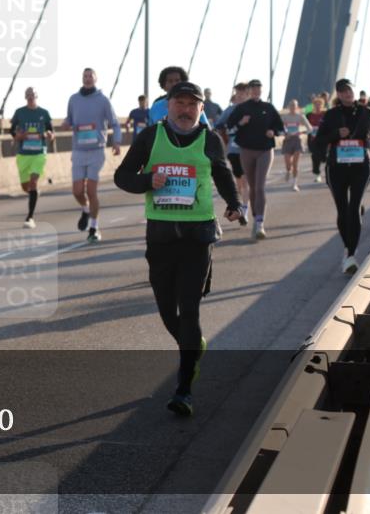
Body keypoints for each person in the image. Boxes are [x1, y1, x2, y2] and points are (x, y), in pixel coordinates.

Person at [114, 81, 242, 417]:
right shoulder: (149, 137)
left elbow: (223, 173)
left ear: (201, 108)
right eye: (179, 103)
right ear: (168, 105)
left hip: (198, 235)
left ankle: (184, 388)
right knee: (166, 307)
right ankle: (193, 346)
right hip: (161, 235)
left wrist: (234, 203)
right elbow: (122, 176)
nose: (185, 110)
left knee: (190, 307)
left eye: (192, 104)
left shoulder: (209, 138)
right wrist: (146, 180)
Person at [314, 78, 370, 274]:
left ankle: (351, 255)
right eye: (342, 92)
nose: (347, 94)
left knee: (354, 208)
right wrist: (336, 133)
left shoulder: (366, 112)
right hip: (337, 168)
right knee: (343, 211)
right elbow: (318, 141)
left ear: (354, 91)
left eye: (349, 90)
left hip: (361, 166)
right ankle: (347, 248)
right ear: (338, 95)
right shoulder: (331, 115)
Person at [62, 68, 121, 243]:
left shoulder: (103, 100)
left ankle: (94, 227)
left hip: (96, 150)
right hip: (79, 150)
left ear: (95, 79)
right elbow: (70, 119)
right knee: (77, 191)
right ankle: (85, 209)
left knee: (91, 190)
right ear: (82, 79)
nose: (87, 79)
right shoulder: (74, 99)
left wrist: (116, 142)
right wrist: (66, 124)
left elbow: (115, 124)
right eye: (85, 76)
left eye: (90, 76)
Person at [225, 79, 284, 239]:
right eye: (254, 88)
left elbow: (280, 127)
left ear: (261, 90)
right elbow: (230, 128)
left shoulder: (268, 108)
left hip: (265, 150)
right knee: (251, 186)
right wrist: (241, 123)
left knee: (260, 186)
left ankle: (260, 223)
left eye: (259, 88)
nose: (257, 90)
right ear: (249, 91)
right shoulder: (242, 108)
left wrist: (273, 131)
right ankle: (255, 214)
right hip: (246, 150)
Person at [10, 87, 54, 229]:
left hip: (39, 153)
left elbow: (50, 131)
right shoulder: (19, 112)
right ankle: (33, 194)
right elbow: (12, 130)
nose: (30, 97)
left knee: (33, 183)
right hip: (23, 154)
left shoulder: (44, 113)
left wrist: (49, 135)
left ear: (36, 96)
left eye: (32, 95)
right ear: (25, 97)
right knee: (26, 187)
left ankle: (30, 217)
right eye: (28, 95)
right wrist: (18, 136)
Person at [214, 83, 250, 222]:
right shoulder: (229, 110)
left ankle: (245, 211)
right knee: (239, 183)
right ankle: (240, 207)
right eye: (238, 93)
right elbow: (218, 125)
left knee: (246, 182)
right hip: (233, 150)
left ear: (248, 94)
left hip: (250, 150)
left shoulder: (253, 109)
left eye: (243, 93)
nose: (240, 96)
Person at [281, 99, 313, 191]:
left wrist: (301, 132)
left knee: (295, 164)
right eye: (291, 105)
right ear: (288, 107)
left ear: (297, 107)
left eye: (294, 105)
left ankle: (294, 184)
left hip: (297, 141)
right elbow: (279, 129)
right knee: (288, 164)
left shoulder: (300, 116)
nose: (292, 107)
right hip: (287, 141)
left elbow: (310, 128)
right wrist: (284, 134)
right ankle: (288, 171)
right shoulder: (284, 117)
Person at [306, 97, 327, 182]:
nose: (318, 106)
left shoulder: (326, 114)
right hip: (313, 139)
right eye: (316, 104)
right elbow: (306, 126)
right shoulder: (309, 115)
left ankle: (328, 172)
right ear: (313, 105)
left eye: (320, 104)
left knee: (324, 158)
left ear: (322, 105)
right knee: (315, 157)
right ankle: (317, 175)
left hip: (324, 139)